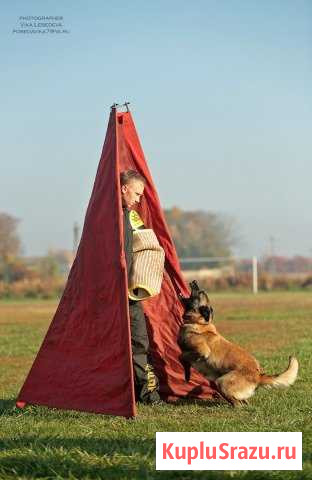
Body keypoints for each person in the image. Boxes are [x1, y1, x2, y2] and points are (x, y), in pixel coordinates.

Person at [120, 169, 162, 405]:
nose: (138, 199)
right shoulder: (105, 215)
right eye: (136, 194)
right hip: (108, 293)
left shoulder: (131, 216)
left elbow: (147, 242)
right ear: (124, 188)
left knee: (139, 341)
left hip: (129, 294)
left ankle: (149, 395)